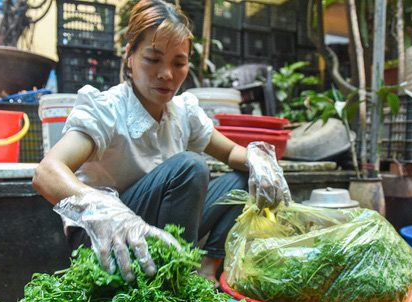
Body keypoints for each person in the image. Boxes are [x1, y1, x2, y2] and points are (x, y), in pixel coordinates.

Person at [32, 0, 290, 283]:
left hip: (155, 224)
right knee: (189, 167)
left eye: (178, 63)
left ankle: (206, 268)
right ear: (130, 56)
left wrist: (260, 160)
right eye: (153, 59)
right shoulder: (106, 109)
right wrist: (102, 208)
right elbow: (47, 172)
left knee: (244, 177)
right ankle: (177, 282)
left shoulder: (183, 112)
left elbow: (230, 152)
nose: (167, 74)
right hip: (103, 235)